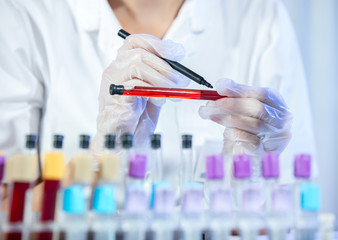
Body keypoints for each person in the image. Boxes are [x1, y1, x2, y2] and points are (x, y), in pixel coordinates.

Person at [0, 0, 316, 187]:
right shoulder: (26, 13)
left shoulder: (259, 14)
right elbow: (7, 215)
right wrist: (95, 169)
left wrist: (246, 194)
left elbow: (295, 212)